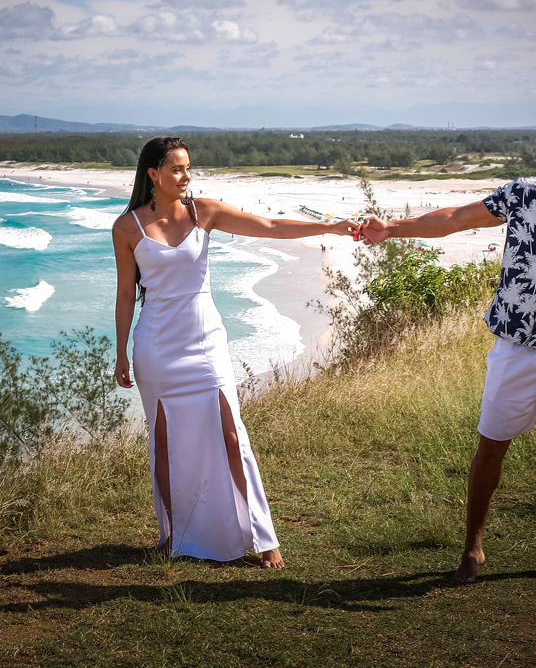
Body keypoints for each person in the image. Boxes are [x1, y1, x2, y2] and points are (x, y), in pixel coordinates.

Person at [360, 113, 536, 585]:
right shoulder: (523, 194)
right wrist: (391, 228)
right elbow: (455, 219)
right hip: (515, 349)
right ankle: (472, 547)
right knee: (490, 446)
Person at [113, 137, 359, 568]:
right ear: (152, 174)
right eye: (176, 169)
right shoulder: (127, 227)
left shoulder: (203, 211)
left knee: (232, 436)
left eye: (188, 168)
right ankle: (172, 536)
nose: (186, 176)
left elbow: (269, 227)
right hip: (155, 349)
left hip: (206, 343)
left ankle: (265, 539)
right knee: (164, 446)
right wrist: (121, 352)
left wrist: (332, 227)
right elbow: (125, 296)